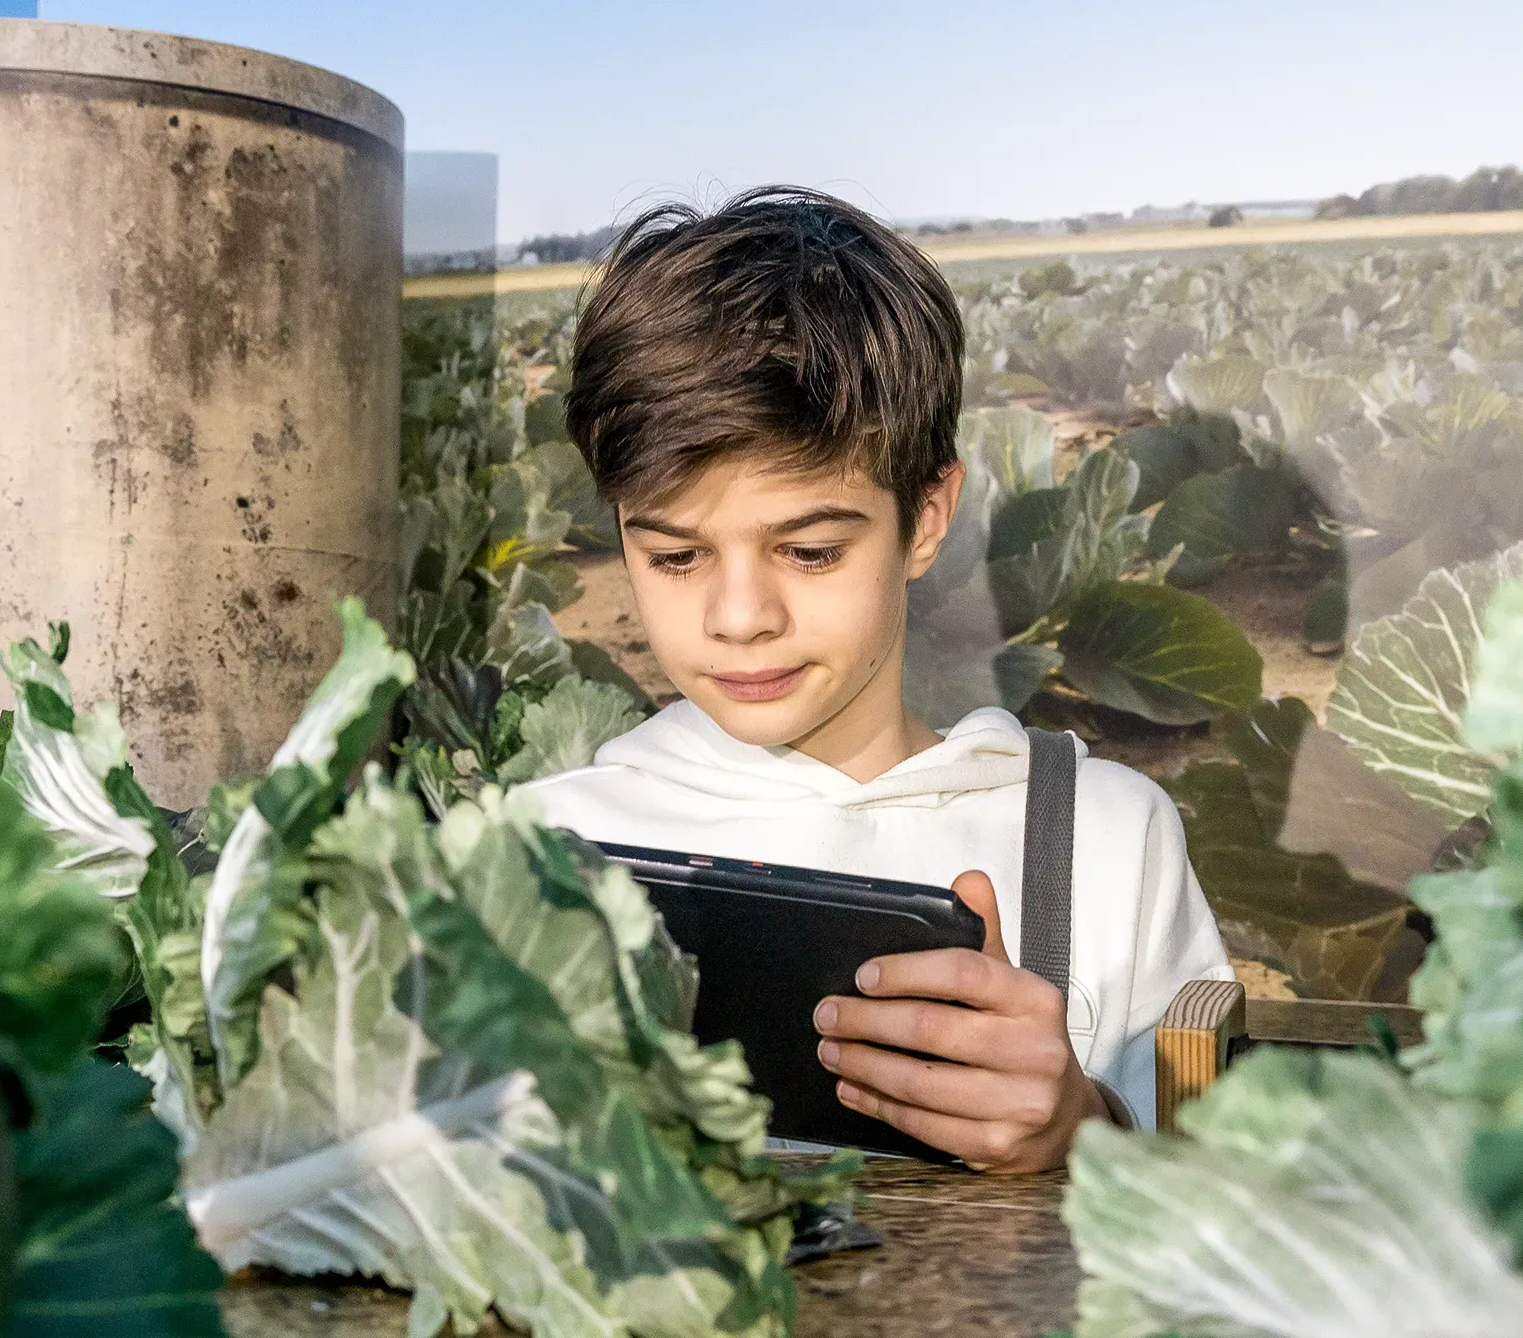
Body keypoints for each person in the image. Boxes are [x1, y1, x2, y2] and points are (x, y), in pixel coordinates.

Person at [526, 187, 1234, 1172]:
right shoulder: (543, 847)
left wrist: (1081, 1123)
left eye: (809, 550)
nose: (739, 616)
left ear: (927, 518)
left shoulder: (1100, 833)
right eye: (676, 556)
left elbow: (1213, 1208)